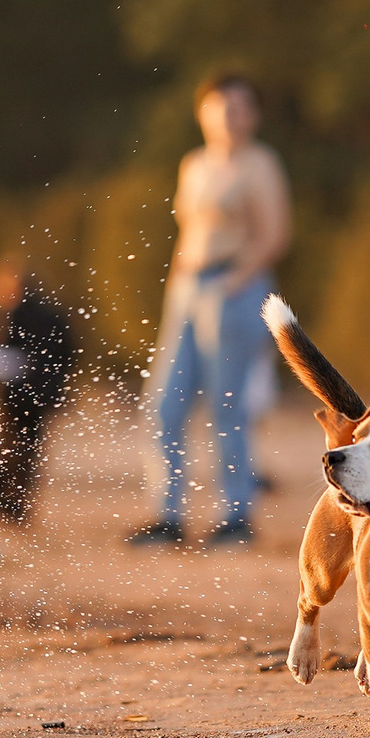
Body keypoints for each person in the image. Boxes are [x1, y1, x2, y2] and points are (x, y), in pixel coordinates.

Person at [128, 74, 290, 548]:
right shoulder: (194, 164)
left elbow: (274, 234)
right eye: (222, 105)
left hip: (235, 285)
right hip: (187, 287)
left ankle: (236, 515)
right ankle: (167, 513)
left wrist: (235, 281)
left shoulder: (260, 164)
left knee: (228, 407)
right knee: (163, 404)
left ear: (254, 115)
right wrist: (179, 286)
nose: (231, 115)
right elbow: (187, 229)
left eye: (241, 106)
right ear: (203, 112)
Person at [0, 256, 75, 526]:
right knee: (29, 450)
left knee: (7, 447)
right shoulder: (53, 314)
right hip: (43, 396)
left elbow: (1, 356)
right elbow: (68, 353)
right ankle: (16, 504)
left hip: (17, 396)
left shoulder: (12, 313)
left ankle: (1, 501)